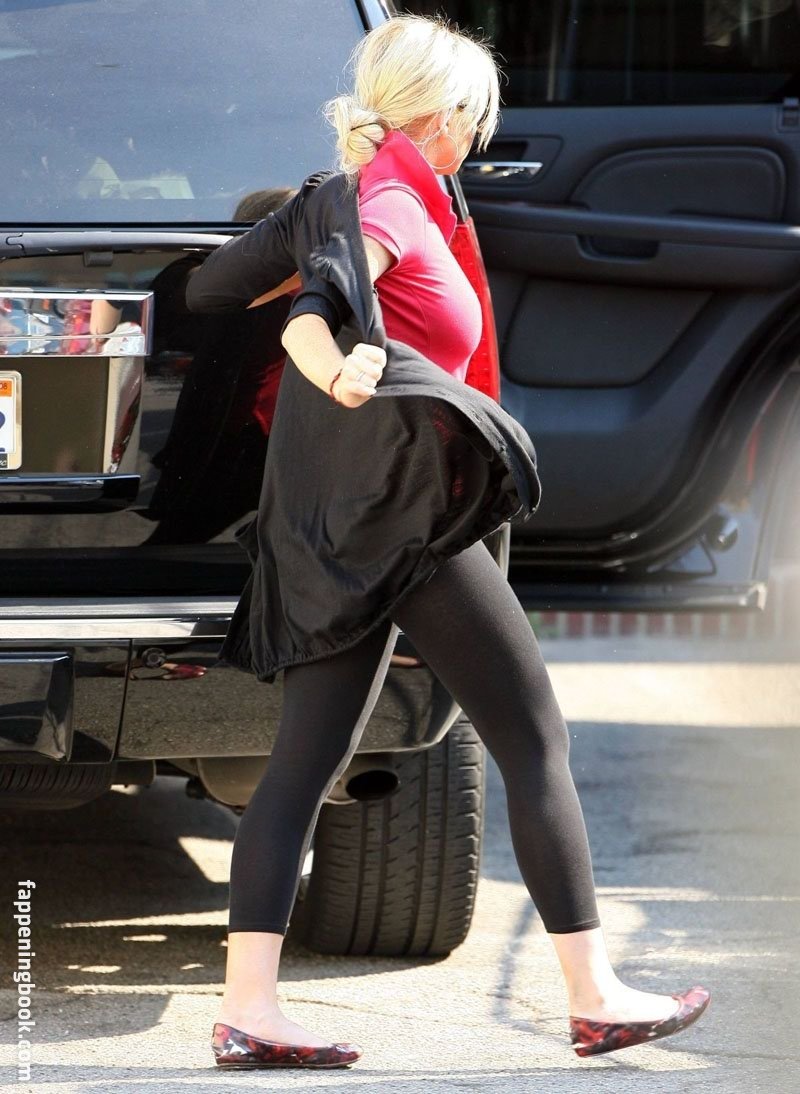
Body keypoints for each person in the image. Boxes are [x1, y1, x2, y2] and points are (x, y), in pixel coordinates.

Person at [193, 13, 710, 1071]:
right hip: (408, 520)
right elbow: (322, 307)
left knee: (305, 762)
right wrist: (333, 351)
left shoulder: (353, 195)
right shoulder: (387, 202)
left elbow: (210, 288)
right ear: (446, 113)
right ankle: (595, 995)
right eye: (477, 115)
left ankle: (249, 1008)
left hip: (343, 520)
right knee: (533, 738)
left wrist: (297, 242)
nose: (479, 135)